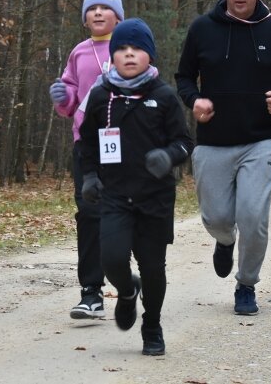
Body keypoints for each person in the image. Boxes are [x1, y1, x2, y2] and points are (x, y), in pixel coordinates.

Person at [174, 0, 271, 316]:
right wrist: (195, 100)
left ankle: (246, 284)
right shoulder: (202, 29)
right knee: (216, 218)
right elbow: (184, 77)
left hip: (260, 141)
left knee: (253, 215)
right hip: (212, 142)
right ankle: (224, 240)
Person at [78, 18, 192, 356]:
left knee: (153, 267)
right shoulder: (100, 97)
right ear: (112, 57)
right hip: (114, 196)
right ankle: (127, 293)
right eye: (122, 49)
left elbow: (185, 143)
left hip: (155, 199)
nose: (129, 54)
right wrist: (89, 177)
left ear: (150, 57)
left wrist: (168, 156)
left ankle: (152, 325)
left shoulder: (164, 97)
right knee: (111, 259)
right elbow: (87, 144)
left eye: (138, 49)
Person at [49, 0, 125, 319]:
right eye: (91, 8)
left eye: (104, 8)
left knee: (120, 214)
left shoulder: (129, 47)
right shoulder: (79, 52)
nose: (97, 13)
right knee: (88, 213)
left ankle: (126, 277)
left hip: (125, 144)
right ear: (84, 18)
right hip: (87, 144)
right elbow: (69, 97)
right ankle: (90, 292)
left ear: (118, 16)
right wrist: (61, 97)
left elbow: (148, 81)